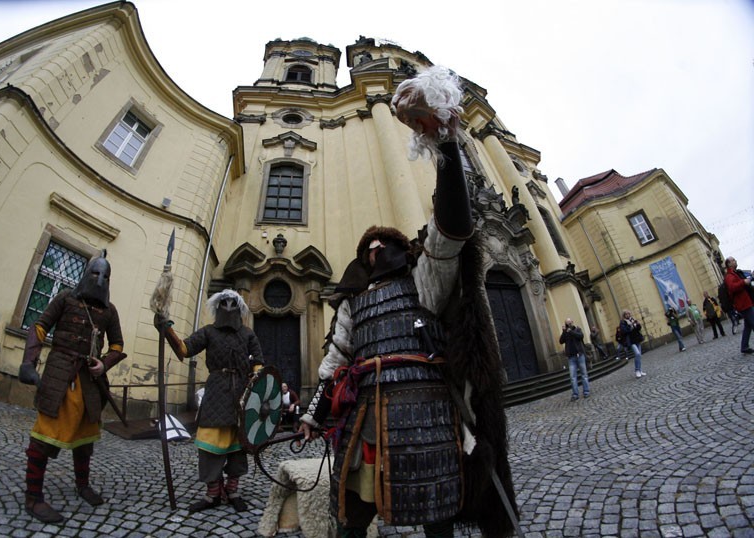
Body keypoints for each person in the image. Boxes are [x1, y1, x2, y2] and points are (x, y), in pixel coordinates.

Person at [298, 66, 517, 538]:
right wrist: (314, 413)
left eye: (383, 244)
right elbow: (335, 360)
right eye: (368, 248)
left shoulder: (425, 277)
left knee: (439, 511)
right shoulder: (355, 300)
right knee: (353, 513)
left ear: (399, 251)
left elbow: (450, 231)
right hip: (366, 418)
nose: (375, 250)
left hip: (429, 412)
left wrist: (448, 148)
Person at [18, 252, 126, 523]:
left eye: (105, 276)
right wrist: (29, 363)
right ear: (86, 274)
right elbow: (40, 327)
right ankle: (33, 498)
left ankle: (82, 485)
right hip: (59, 377)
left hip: (89, 383)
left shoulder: (110, 311)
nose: (99, 279)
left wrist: (103, 364)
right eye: (95, 273)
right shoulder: (66, 298)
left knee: (85, 437)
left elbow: (117, 346)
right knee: (44, 436)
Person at [155, 289, 264, 512]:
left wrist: (257, 378)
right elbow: (185, 349)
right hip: (216, 392)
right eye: (225, 303)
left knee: (239, 447)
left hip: (242, 395)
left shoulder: (248, 334)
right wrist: (167, 329)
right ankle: (213, 493)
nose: (229, 307)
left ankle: (232, 491)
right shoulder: (208, 332)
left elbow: (259, 363)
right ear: (218, 306)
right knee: (209, 445)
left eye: (233, 303)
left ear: (239, 308)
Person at [723, 257, 754, 354]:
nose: (735, 261)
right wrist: (743, 282)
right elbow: (732, 287)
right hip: (743, 304)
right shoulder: (729, 276)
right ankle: (744, 347)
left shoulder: (734, 273)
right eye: (733, 260)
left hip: (745, 302)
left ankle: (744, 347)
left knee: (748, 326)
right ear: (729, 264)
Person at [560, 318, 590, 401]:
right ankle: (575, 394)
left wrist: (571, 331)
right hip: (571, 357)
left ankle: (586, 392)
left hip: (579, 355)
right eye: (567, 324)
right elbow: (561, 341)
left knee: (584, 374)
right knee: (573, 377)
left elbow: (580, 336)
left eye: (569, 323)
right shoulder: (566, 333)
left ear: (572, 322)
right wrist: (563, 332)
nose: (568, 325)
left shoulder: (577, 329)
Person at [619, 309, 646, 378]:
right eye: (626, 314)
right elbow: (624, 331)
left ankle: (640, 370)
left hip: (637, 339)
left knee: (639, 355)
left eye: (628, 314)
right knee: (637, 353)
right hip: (630, 340)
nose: (628, 315)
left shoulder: (632, 320)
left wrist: (637, 324)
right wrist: (630, 326)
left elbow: (638, 328)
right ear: (624, 315)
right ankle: (637, 370)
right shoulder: (623, 322)